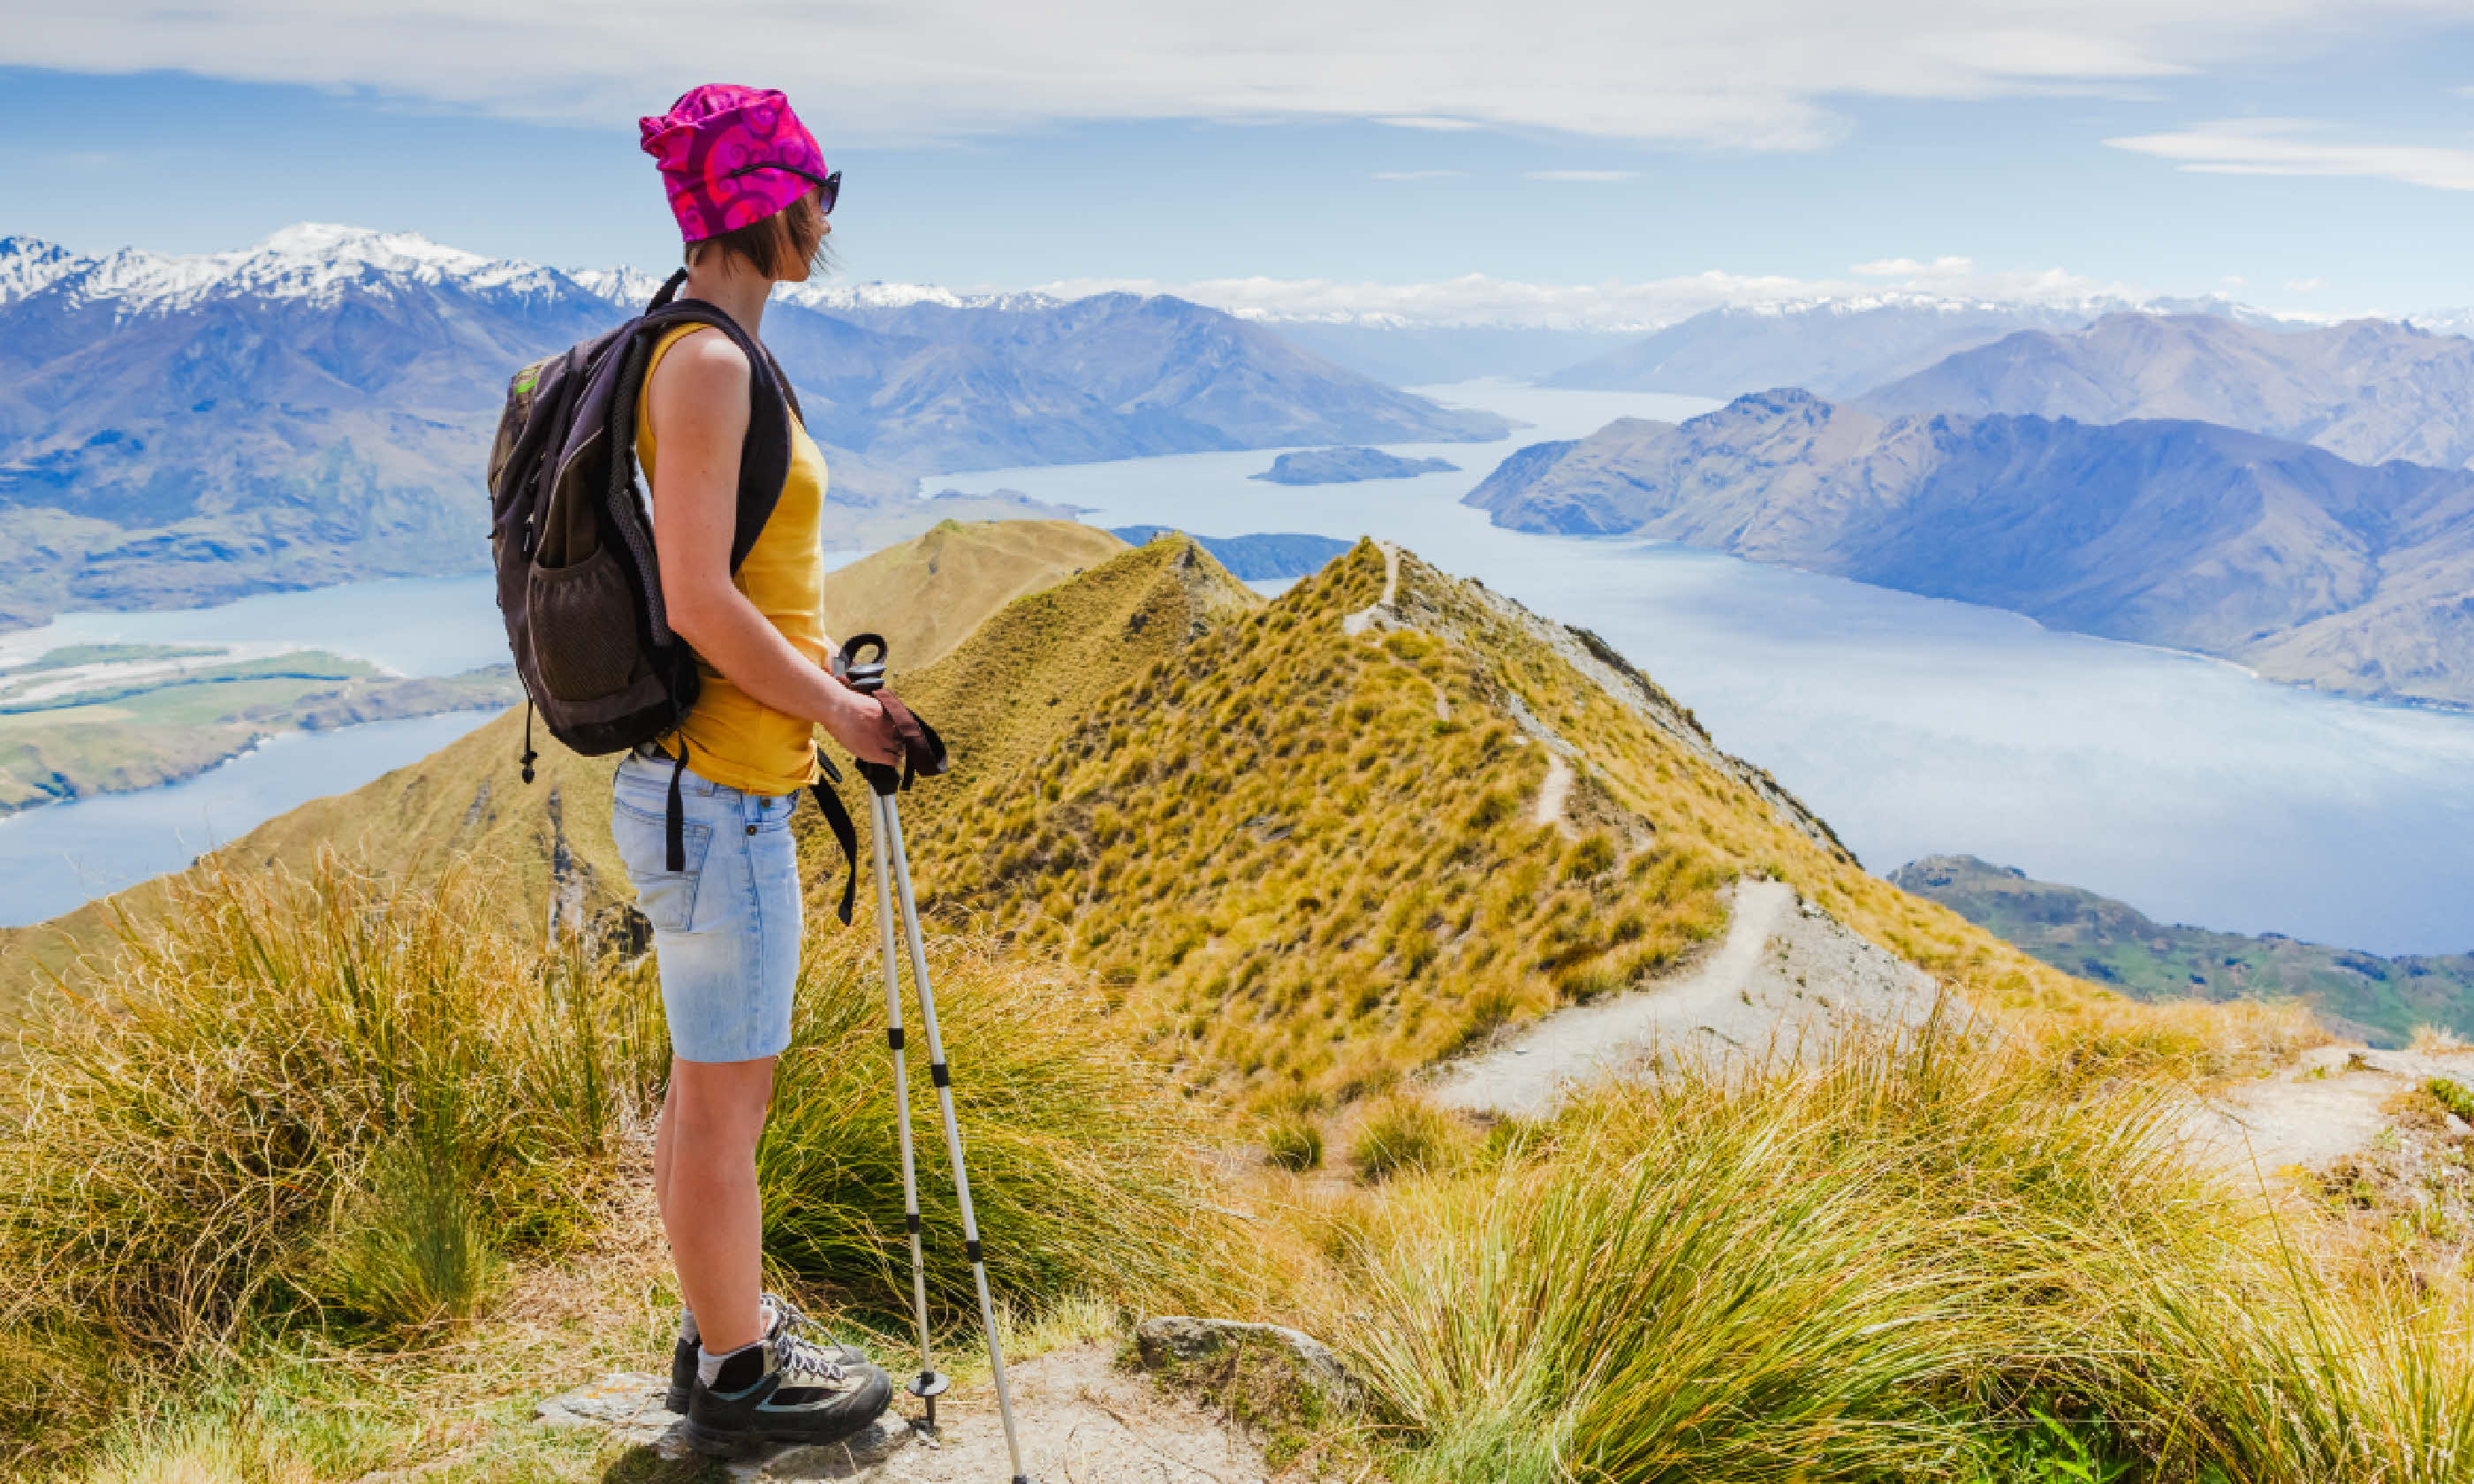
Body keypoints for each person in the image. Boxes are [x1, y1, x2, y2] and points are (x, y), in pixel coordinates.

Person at [618, 83, 899, 1457]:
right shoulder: (711, 364)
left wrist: (816, 691)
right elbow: (697, 603)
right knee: (730, 1103)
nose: (827, 221)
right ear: (769, 205)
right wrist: (842, 722)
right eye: (817, 193)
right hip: (719, 795)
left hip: (711, 783)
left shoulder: (706, 347)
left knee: (705, 1087)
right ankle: (737, 1382)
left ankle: (712, 1337)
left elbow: (748, 588)